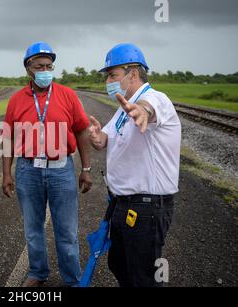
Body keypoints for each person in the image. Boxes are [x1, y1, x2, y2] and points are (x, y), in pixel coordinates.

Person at [89, 43, 181, 287]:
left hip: (147, 207)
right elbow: (104, 140)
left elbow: (148, 110)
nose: (107, 81)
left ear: (133, 74)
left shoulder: (154, 99)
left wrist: (142, 112)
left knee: (143, 278)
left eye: (112, 75)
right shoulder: (122, 109)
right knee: (120, 266)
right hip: (123, 203)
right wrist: (97, 137)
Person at [2, 42, 93, 287]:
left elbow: (82, 131)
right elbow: (8, 139)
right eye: (40, 66)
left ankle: (72, 279)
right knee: (33, 229)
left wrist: (85, 169)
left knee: (66, 232)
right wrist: (6, 174)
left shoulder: (67, 95)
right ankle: (38, 272)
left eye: (49, 66)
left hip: (61, 169)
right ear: (28, 69)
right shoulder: (16, 100)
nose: (45, 70)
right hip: (27, 170)